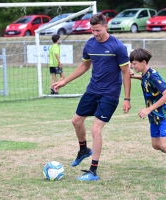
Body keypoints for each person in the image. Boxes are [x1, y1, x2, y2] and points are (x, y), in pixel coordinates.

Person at [51, 14, 131, 181]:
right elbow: (84, 66)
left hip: (110, 93)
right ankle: (83, 150)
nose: (95, 33)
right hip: (92, 90)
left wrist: (127, 98)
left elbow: (125, 72)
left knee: (96, 129)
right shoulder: (90, 44)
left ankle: (93, 171)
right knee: (76, 121)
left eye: (98, 30)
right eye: (93, 30)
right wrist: (64, 81)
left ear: (105, 26)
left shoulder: (118, 47)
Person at [129, 48, 166, 180]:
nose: (132, 66)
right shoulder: (146, 74)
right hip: (155, 116)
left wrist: (148, 109)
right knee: (156, 145)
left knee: (164, 145)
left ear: (143, 62)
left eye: (134, 63)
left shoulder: (153, 75)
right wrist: (136, 77)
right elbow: (146, 80)